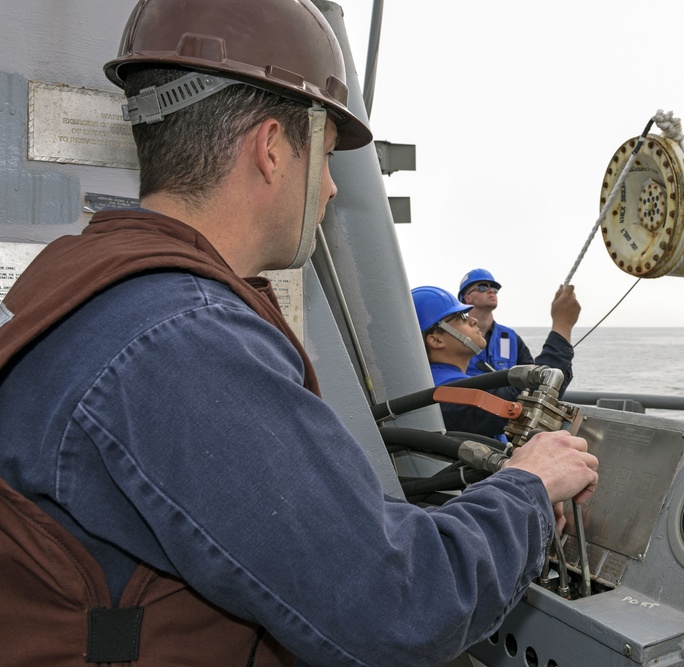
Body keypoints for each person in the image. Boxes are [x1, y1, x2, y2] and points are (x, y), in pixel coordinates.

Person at [0, 1, 599, 665]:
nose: (335, 190)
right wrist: (529, 488)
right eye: (329, 155)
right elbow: (397, 605)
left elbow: (327, 535)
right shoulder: (186, 343)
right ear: (273, 149)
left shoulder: (95, 286)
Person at [413, 285, 575, 439]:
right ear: (436, 340)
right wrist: (562, 327)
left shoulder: (433, 384)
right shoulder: (443, 392)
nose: (473, 320)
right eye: (461, 317)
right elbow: (524, 402)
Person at [457, 268, 580, 377]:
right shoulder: (455, 338)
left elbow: (532, 376)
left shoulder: (510, 337)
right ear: (467, 298)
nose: (491, 291)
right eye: (482, 287)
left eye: (494, 288)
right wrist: (563, 326)